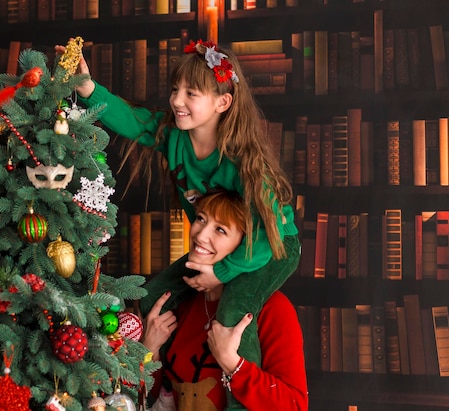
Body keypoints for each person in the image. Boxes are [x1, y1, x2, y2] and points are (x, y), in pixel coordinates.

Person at [54, 39, 300, 385]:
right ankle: (157, 389)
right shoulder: (174, 137)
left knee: (230, 317)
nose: (177, 100)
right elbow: (134, 120)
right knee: (155, 297)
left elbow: (265, 235)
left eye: (191, 93)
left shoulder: (245, 165)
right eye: (175, 89)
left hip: (271, 248)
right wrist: (89, 88)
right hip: (220, 245)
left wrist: (221, 273)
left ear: (223, 102)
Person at [142, 190, 308, 411]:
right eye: (201, 219)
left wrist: (232, 363)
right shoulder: (181, 304)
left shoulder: (273, 308)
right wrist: (149, 349)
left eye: (220, 229)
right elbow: (155, 397)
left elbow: (295, 406)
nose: (200, 236)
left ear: (243, 246)